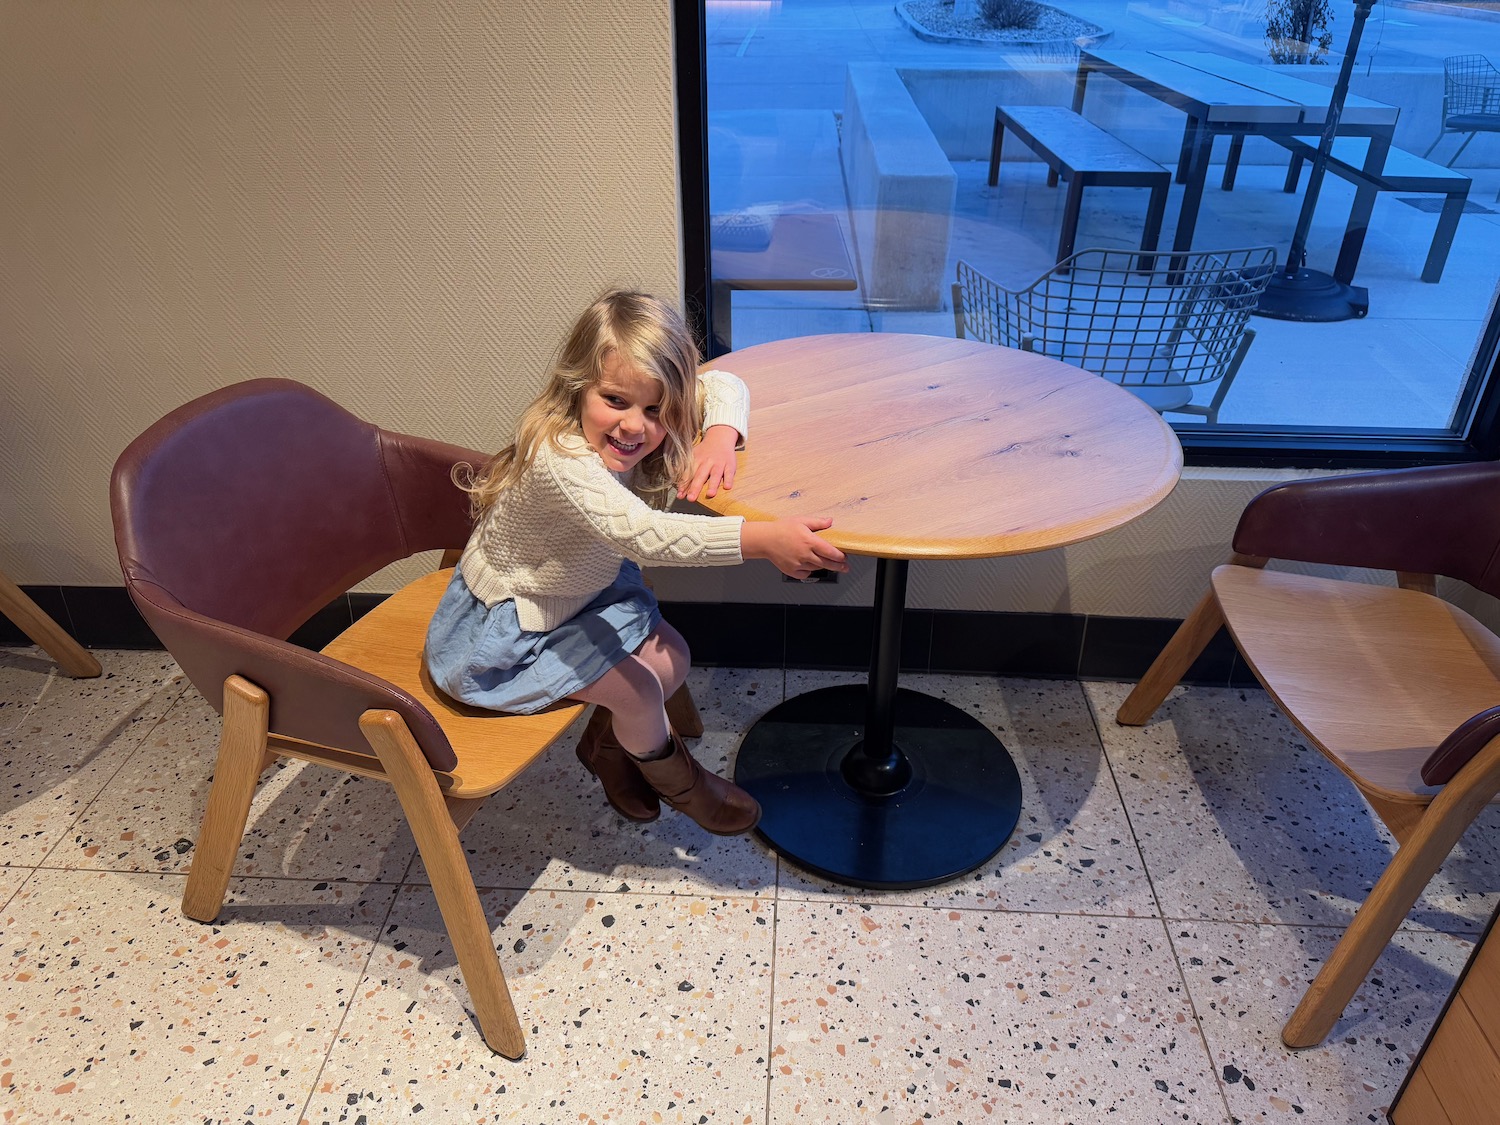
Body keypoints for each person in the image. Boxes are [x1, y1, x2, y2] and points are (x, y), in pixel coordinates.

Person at [426, 290, 848, 835]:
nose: (635, 426)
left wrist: (721, 434)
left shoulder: (630, 418)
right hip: (512, 623)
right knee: (644, 690)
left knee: (673, 656)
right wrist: (761, 540)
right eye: (616, 402)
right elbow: (645, 536)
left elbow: (722, 382)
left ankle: (609, 748)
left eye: (656, 410)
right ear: (578, 386)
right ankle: (684, 786)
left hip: (580, 592)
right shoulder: (560, 457)